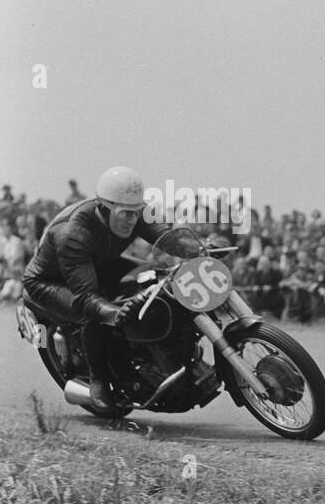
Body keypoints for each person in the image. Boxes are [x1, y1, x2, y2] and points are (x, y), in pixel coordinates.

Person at [21, 167, 198, 415]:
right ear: (104, 209)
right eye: (125, 214)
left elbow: (168, 240)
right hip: (49, 282)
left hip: (99, 263)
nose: (132, 220)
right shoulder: (73, 233)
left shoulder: (135, 212)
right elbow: (87, 297)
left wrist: (202, 252)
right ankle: (99, 381)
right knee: (91, 312)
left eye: (137, 213)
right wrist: (115, 314)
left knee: (156, 273)